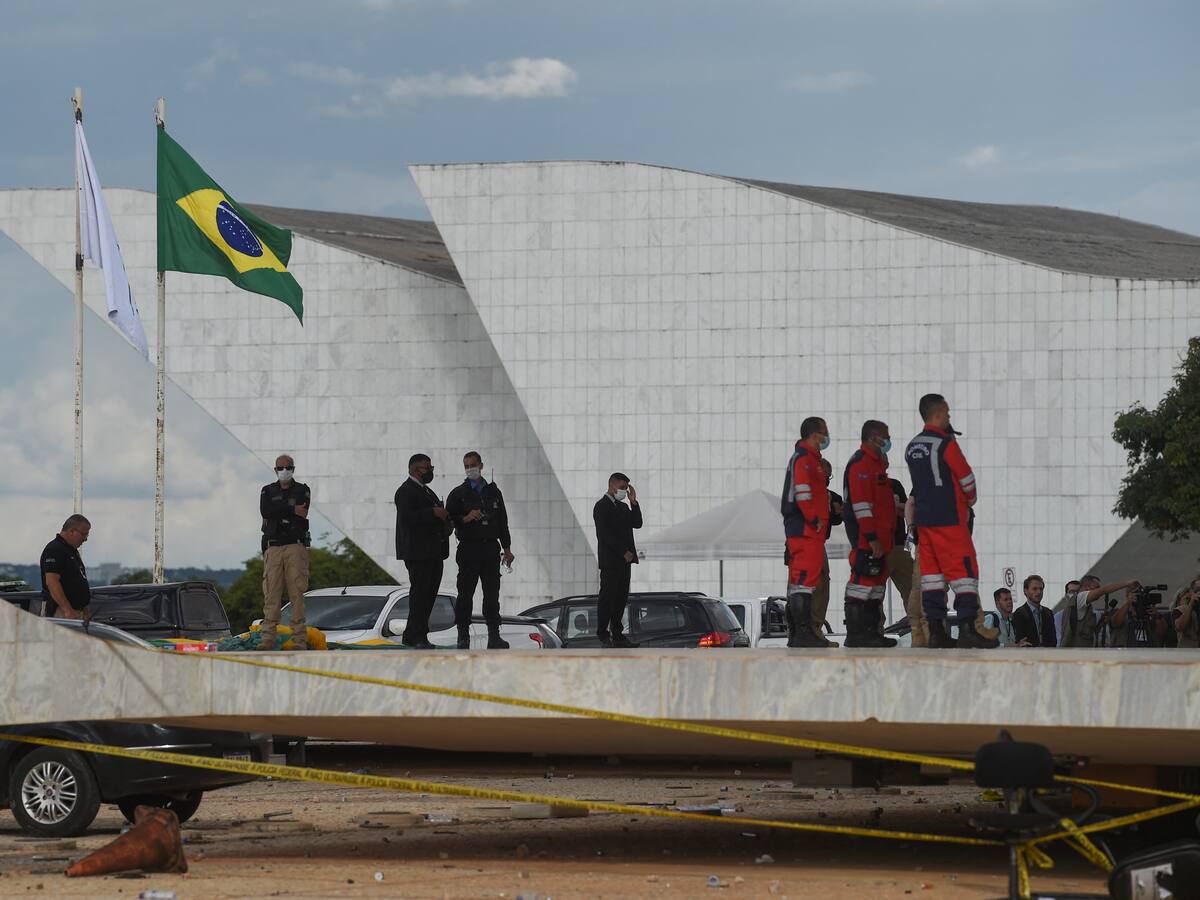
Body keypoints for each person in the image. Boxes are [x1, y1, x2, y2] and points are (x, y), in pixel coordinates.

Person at [903, 394, 995, 649]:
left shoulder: (912, 447)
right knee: (964, 572)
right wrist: (969, 500)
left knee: (931, 577)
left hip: (925, 523)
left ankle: (936, 631)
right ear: (939, 413)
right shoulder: (945, 444)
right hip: (950, 520)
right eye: (948, 413)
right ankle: (967, 629)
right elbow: (967, 479)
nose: (950, 417)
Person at [445, 451, 515, 650]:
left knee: (492, 593)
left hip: (490, 547)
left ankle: (494, 635)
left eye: (473, 465)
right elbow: (448, 519)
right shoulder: (458, 493)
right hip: (469, 547)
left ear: (481, 465)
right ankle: (463, 636)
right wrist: (465, 518)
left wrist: (507, 549)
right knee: (465, 593)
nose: (470, 469)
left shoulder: (493, 492)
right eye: (466, 466)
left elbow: (503, 522)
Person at [841, 419, 897, 647]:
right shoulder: (860, 464)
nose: (888, 440)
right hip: (868, 539)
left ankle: (872, 633)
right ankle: (855, 634)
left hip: (882, 540)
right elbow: (861, 505)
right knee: (861, 584)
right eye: (885, 435)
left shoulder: (875, 465)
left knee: (875, 588)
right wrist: (872, 538)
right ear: (874, 437)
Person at [781, 417, 831, 648]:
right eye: (825, 432)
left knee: (801, 582)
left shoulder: (807, 458)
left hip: (805, 529)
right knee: (804, 581)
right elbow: (802, 491)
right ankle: (802, 633)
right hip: (805, 529)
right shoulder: (804, 459)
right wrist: (814, 519)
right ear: (815, 434)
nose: (827, 436)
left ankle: (799, 633)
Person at [395, 453, 452, 649]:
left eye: (431, 468)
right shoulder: (405, 491)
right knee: (420, 594)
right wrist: (432, 513)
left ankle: (418, 634)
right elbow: (408, 518)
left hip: (434, 551)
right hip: (418, 553)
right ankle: (415, 635)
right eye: (426, 468)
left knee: (429, 594)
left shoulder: (427, 492)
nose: (430, 472)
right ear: (414, 470)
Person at [259, 455, 311, 651]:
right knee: (271, 593)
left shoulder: (302, 489)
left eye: (288, 467)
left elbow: (303, 511)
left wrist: (278, 508)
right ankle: (267, 640)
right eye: (281, 467)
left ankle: (299, 640)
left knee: (296, 593)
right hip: (273, 546)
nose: (284, 470)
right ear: (275, 469)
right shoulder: (267, 490)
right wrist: (290, 508)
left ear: (293, 468)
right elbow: (266, 510)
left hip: (294, 546)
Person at [592, 473, 642, 647]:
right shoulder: (601, 506)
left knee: (621, 598)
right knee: (607, 598)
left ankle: (618, 634)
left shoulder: (622, 507)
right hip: (611, 561)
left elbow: (637, 523)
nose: (624, 491)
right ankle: (603, 634)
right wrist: (623, 551)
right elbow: (604, 534)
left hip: (625, 562)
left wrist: (633, 503)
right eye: (622, 487)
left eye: (626, 488)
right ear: (612, 486)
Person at [808, 459, 842, 648]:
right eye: (824, 478)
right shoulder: (808, 494)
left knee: (823, 586)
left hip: (819, 544)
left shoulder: (830, 497)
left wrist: (837, 512)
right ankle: (809, 630)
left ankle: (816, 629)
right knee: (812, 587)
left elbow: (836, 518)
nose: (827, 481)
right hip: (808, 544)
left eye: (829, 478)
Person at [1060, 574, 1140, 648]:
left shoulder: (1087, 608)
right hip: (1075, 654)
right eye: (1096, 587)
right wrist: (1127, 584)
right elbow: (1103, 590)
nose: (1099, 589)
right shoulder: (1079, 598)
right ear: (1087, 587)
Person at [40, 515, 93, 621]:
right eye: (83, 534)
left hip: (75, 611)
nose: (85, 539)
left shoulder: (71, 551)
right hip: (61, 611)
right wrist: (67, 610)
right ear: (72, 531)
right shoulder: (55, 549)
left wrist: (85, 609)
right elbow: (52, 582)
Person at [1109, 583, 1169, 648]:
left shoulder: (1149, 614)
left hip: (1147, 653)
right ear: (1127, 595)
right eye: (1136, 593)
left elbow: (1161, 633)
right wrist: (1128, 603)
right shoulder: (1120, 612)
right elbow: (1116, 622)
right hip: (1126, 654)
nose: (1139, 596)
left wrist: (1158, 617)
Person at [886, 478, 915, 607]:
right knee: (874, 594)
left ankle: (915, 624)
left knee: (913, 591)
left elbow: (907, 509)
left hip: (899, 544)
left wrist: (894, 506)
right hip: (878, 546)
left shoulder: (894, 484)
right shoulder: (864, 483)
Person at [1011, 575, 1057, 647]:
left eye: (1041, 589)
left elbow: (1053, 640)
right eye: (1034, 589)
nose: (1038, 592)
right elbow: (1020, 640)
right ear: (1026, 591)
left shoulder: (1048, 613)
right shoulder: (1019, 613)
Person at [1170, 577, 1200, 649]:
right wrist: (1191, 604)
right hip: (1188, 654)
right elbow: (1179, 627)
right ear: (1192, 592)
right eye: (1198, 589)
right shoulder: (1180, 610)